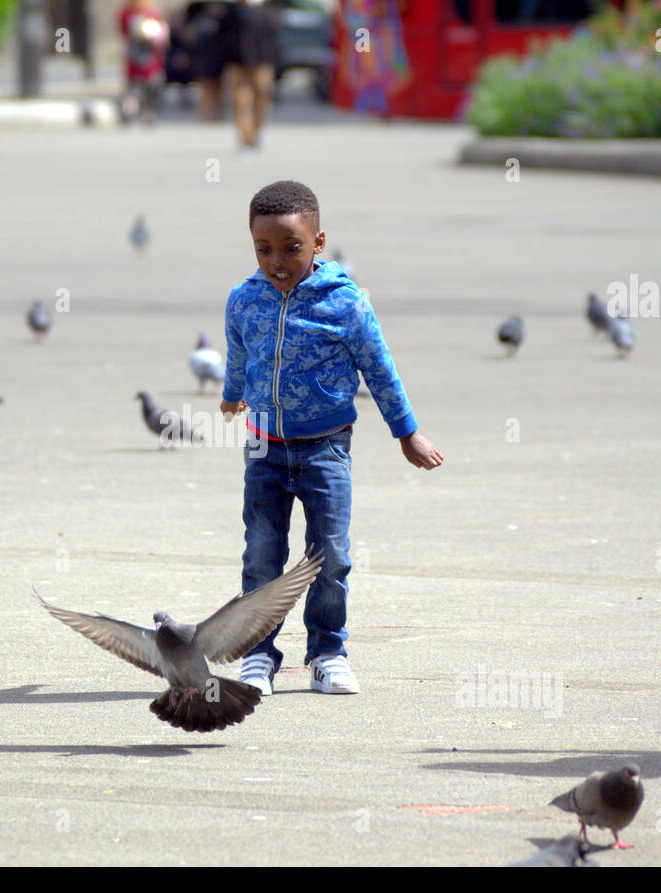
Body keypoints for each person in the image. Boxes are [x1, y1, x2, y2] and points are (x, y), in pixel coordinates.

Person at [220, 181, 442, 695]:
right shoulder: (243, 300)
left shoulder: (346, 304)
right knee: (262, 554)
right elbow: (239, 353)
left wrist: (406, 433)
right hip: (264, 450)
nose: (278, 261)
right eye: (264, 249)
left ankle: (327, 653)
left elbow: (379, 369)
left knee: (331, 555)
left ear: (319, 242)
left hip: (326, 449)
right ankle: (258, 653)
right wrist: (232, 394)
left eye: (292, 247)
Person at [224, 0, 277, 151]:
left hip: (262, 59)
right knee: (241, 100)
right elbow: (224, 36)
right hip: (238, 61)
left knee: (263, 94)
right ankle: (245, 138)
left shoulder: (268, 8)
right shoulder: (233, 10)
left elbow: (274, 35)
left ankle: (256, 131)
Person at [119, 0, 170, 125]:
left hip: (152, 55)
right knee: (135, 85)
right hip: (135, 56)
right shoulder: (128, 14)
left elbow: (161, 30)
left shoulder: (153, 13)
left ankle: (149, 111)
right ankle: (130, 110)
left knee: (153, 84)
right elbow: (124, 30)